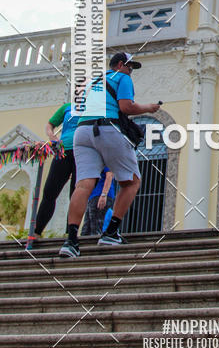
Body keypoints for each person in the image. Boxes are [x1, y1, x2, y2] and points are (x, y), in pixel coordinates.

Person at [58, 51, 160, 258]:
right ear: (120, 64)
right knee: (131, 182)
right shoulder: (122, 78)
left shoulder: (93, 82)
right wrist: (149, 108)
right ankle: (111, 232)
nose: (131, 71)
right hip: (107, 128)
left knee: (83, 185)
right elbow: (126, 106)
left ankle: (71, 242)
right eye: (130, 67)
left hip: (82, 132)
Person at [30, 103, 80, 245]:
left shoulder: (95, 105)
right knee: (50, 191)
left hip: (83, 151)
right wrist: (52, 136)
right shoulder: (68, 106)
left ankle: (71, 234)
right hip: (63, 151)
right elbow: (50, 124)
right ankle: (37, 231)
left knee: (76, 194)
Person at [80, 167, 115, 236]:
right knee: (86, 228)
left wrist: (104, 194)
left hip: (99, 195)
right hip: (93, 195)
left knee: (96, 227)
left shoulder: (105, 161)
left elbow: (109, 175)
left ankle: (96, 241)